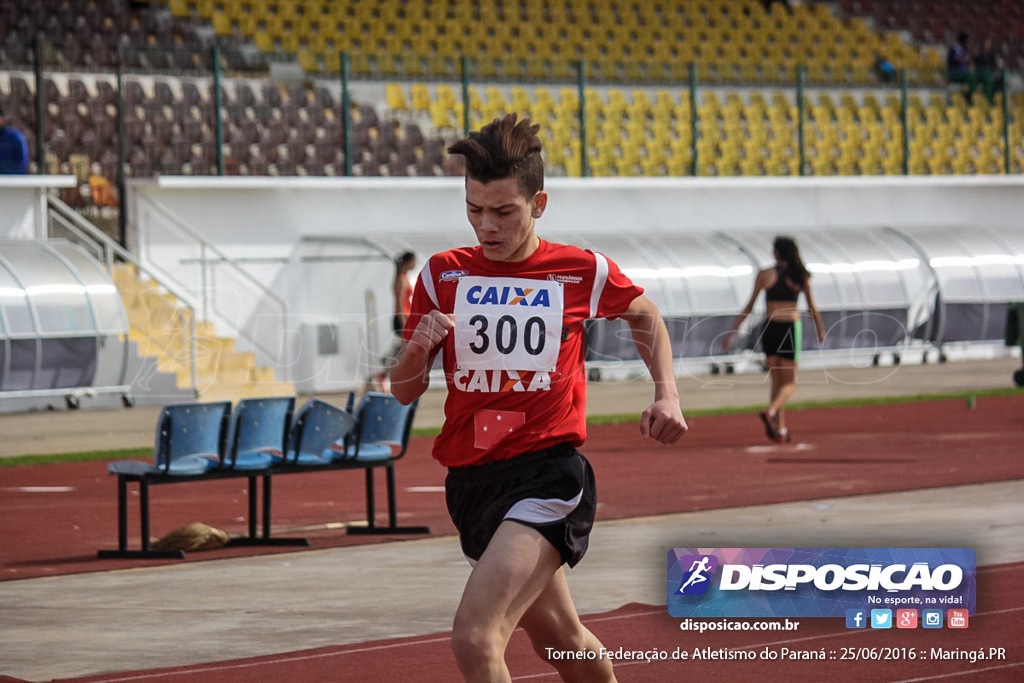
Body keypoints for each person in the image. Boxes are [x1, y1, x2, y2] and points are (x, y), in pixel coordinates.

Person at [389, 113, 687, 682]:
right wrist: (414, 349)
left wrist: (666, 394)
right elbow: (404, 394)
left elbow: (644, 315)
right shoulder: (442, 274)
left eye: (504, 211)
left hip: (547, 474)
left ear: (538, 203)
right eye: (474, 210)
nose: (487, 225)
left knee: (477, 638)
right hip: (472, 480)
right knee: (563, 641)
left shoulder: (580, 270)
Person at [722, 236, 825, 444]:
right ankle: (771, 412)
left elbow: (749, 306)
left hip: (769, 328)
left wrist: (733, 331)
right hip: (789, 328)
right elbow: (811, 307)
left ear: (777, 253)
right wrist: (820, 329)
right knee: (789, 383)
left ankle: (780, 428)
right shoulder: (800, 276)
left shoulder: (765, 275)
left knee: (777, 382)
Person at [375, 250, 417, 391]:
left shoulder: (403, 277)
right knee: (405, 349)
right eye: (413, 261)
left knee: (404, 348)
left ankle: (387, 373)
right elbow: (399, 303)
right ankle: (386, 373)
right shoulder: (401, 279)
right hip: (401, 317)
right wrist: (403, 321)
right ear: (407, 262)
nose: (415, 264)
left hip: (404, 316)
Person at [946, 32, 978, 102]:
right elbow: (957, 59)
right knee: (970, 77)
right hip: (955, 73)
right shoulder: (954, 49)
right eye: (966, 41)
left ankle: (971, 96)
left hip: (964, 73)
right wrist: (967, 58)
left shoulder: (965, 50)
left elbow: (969, 61)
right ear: (963, 41)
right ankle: (969, 99)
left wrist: (971, 60)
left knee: (974, 75)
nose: (967, 43)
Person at [0, 106, 30, 174]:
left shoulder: (14, 136)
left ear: (1, 119)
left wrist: (3, 169)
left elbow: (23, 162)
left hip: (13, 180)